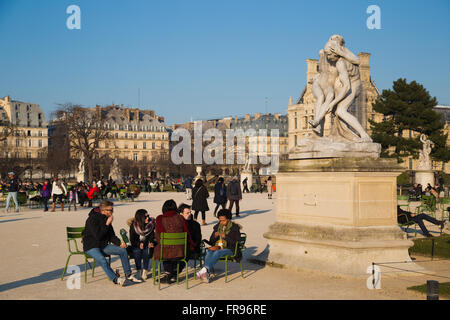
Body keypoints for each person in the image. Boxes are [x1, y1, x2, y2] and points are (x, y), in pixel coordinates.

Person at [82, 200, 142, 285]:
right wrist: (107, 224)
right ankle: (116, 279)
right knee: (102, 259)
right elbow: (98, 236)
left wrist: (119, 243)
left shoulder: (106, 218)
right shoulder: (92, 219)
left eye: (112, 209)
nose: (112, 212)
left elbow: (111, 236)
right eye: (110, 210)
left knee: (122, 250)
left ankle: (128, 275)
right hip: (91, 246)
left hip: (103, 246)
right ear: (103, 210)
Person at [154, 199, 195, 284]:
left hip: (165, 252)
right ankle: (174, 274)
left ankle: (168, 273)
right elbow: (186, 233)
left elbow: (158, 235)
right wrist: (191, 244)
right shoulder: (180, 218)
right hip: (180, 251)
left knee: (163, 248)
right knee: (186, 251)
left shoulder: (159, 218)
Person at [196, 209, 243, 283]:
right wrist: (214, 236)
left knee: (217, 253)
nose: (221, 222)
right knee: (209, 251)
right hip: (219, 247)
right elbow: (211, 242)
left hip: (231, 249)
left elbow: (236, 242)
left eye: (223, 220)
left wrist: (225, 237)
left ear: (228, 219)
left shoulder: (234, 228)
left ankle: (204, 270)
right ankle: (205, 274)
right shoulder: (217, 227)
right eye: (220, 220)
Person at [128, 209, 156, 281]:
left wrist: (150, 242)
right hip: (136, 244)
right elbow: (132, 239)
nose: (148, 218)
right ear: (140, 218)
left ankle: (145, 270)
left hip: (146, 244)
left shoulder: (151, 225)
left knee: (146, 251)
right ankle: (138, 270)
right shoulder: (133, 226)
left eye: (148, 216)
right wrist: (139, 244)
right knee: (137, 251)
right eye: (145, 217)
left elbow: (152, 236)